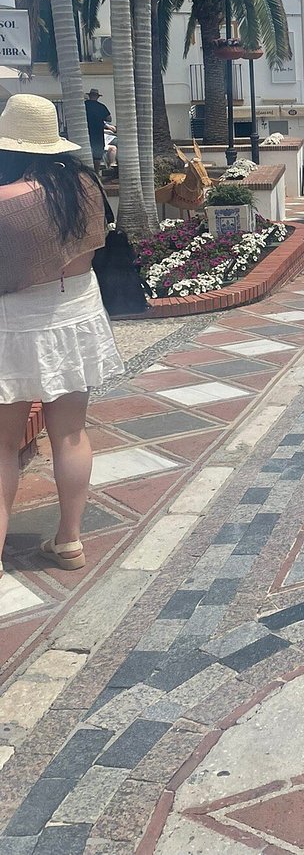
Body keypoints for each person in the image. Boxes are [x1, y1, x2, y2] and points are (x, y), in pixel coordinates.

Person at [0, 95, 124, 574]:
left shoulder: (7, 201)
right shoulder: (84, 186)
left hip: (13, 324)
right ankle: (70, 541)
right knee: (71, 434)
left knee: (3, 446)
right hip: (75, 315)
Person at [84, 88, 113, 166]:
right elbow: (109, 118)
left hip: (85, 132)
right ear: (97, 97)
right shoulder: (101, 107)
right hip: (98, 133)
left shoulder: (84, 105)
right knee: (97, 155)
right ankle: (96, 171)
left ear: (89, 96)